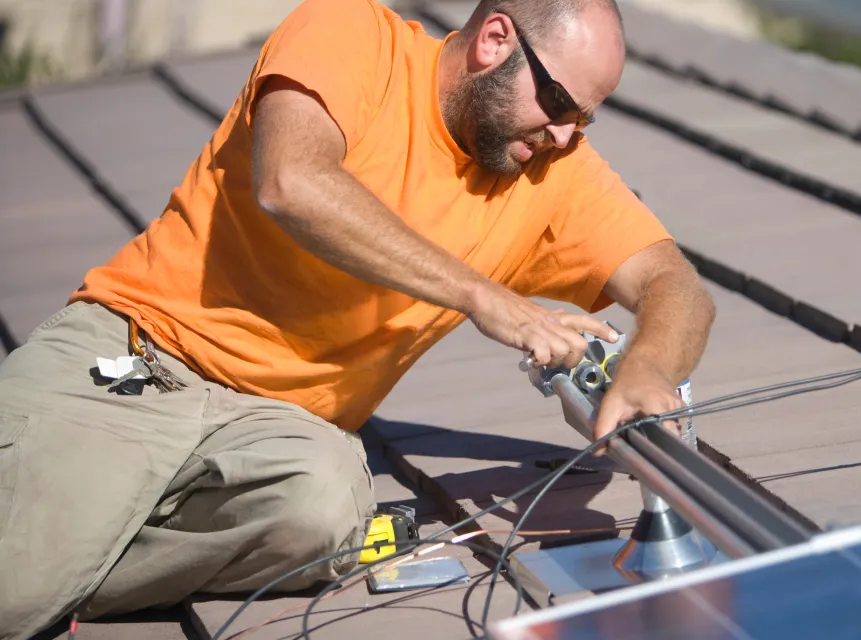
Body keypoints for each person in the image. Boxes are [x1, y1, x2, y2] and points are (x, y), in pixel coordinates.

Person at [0, 0, 715, 636]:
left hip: (279, 430)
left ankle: (67, 568)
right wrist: (485, 296)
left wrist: (649, 371)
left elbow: (675, 282)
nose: (565, 135)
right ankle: (47, 574)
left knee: (322, 514)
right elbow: (293, 182)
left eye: (584, 117)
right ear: (495, 40)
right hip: (138, 361)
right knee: (11, 592)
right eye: (558, 102)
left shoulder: (550, 171)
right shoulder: (349, 34)